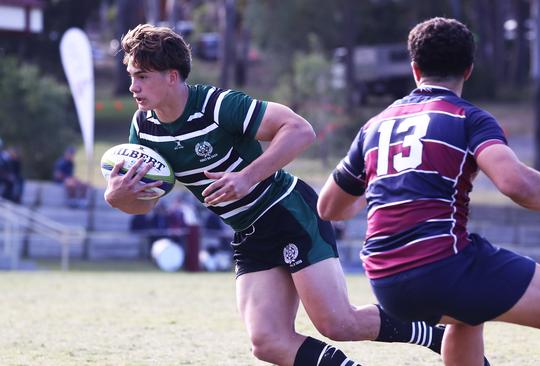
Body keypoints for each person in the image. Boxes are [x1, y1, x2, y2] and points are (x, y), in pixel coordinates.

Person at [104, 24, 465, 366]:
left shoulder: (217, 105)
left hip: (288, 211)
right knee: (267, 341)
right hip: (249, 231)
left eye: (142, 76)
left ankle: (434, 334)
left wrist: (247, 177)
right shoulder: (144, 128)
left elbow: (299, 130)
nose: (132, 86)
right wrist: (117, 197)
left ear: (171, 76)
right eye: (132, 75)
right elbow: (146, 201)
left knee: (338, 323)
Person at [318, 17, 540, 366]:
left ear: (414, 69)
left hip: (385, 280)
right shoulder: (466, 117)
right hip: (442, 266)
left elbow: (329, 206)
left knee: (467, 314)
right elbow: (513, 182)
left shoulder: (374, 126)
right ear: (468, 70)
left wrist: (382, 188)